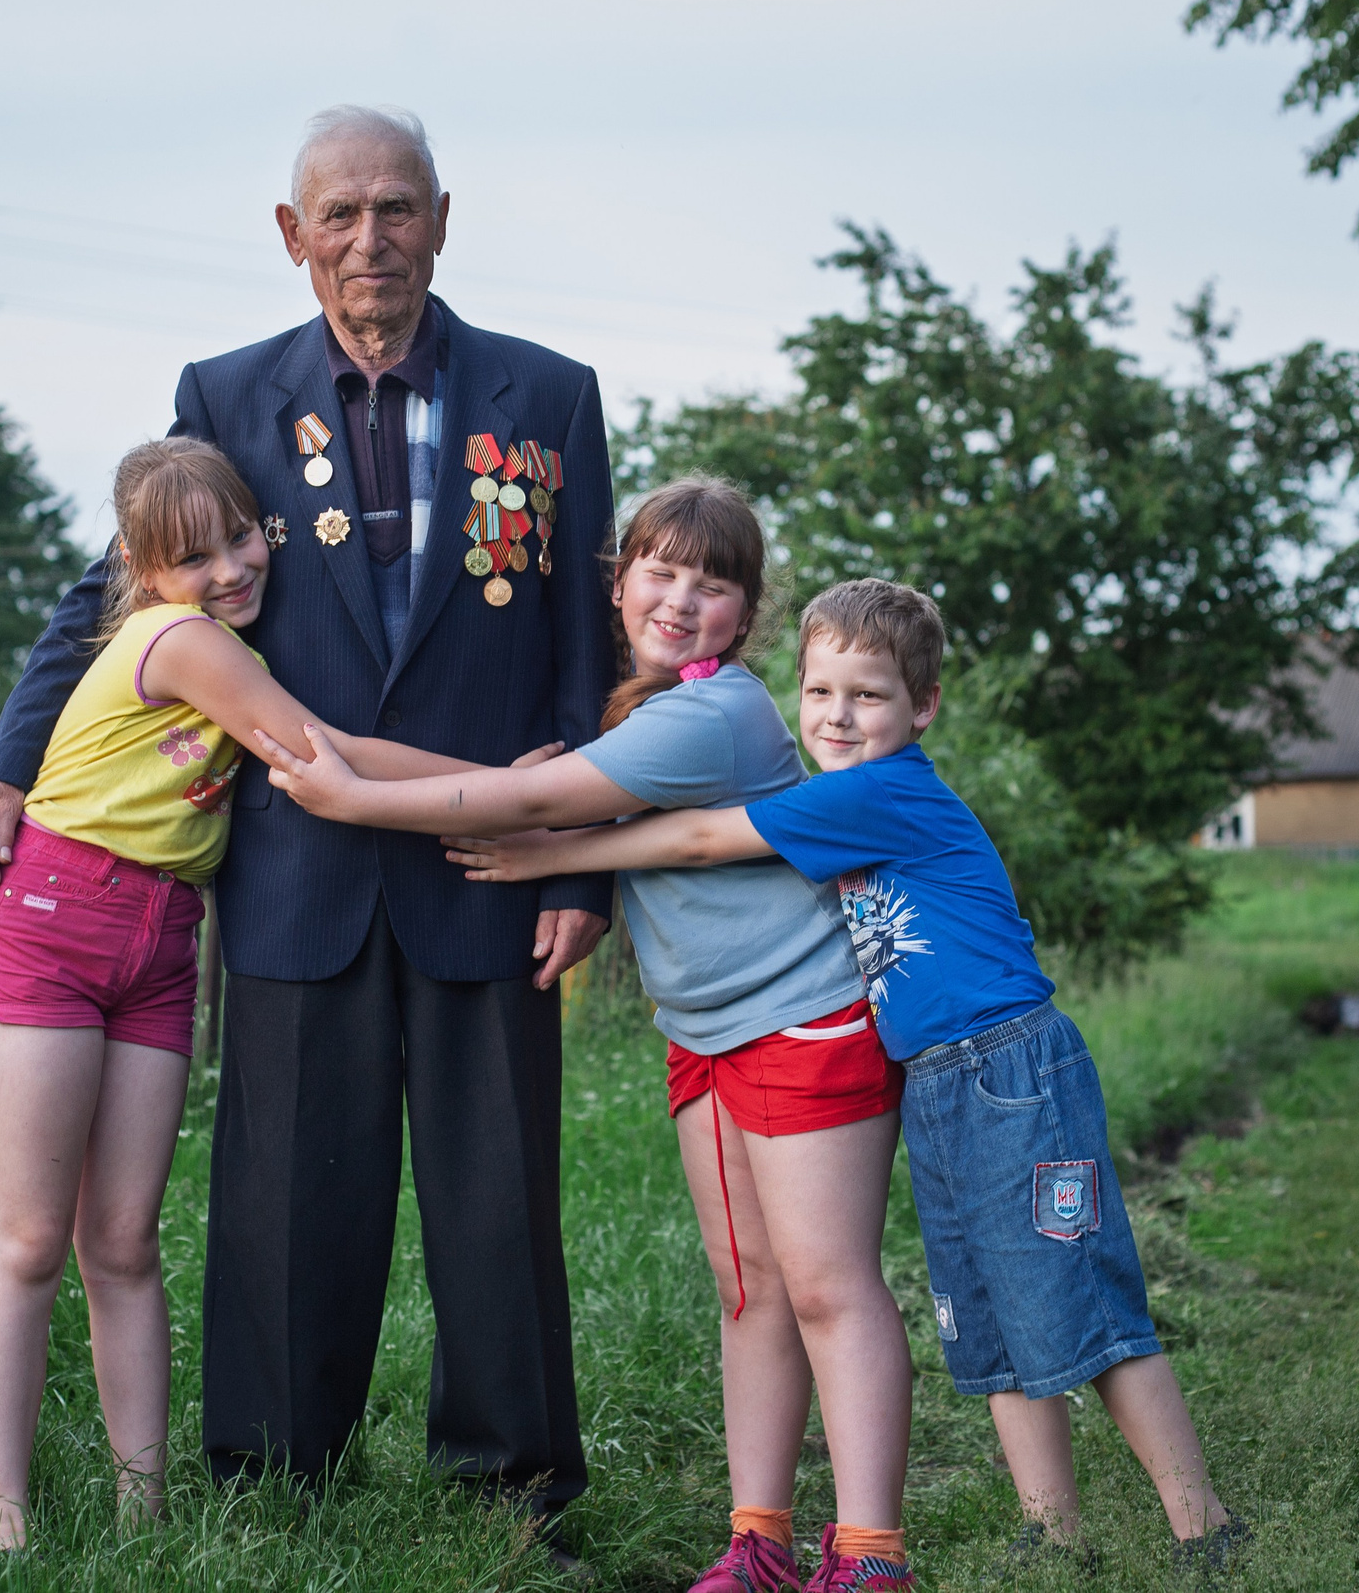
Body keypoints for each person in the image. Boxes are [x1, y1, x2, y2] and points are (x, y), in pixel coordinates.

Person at [0, 106, 616, 1551]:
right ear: (291, 234)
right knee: (287, 1190)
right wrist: (1, 761)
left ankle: (515, 1488)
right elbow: (110, 595)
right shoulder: (225, 394)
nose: (370, 238)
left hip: (489, 858)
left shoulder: (549, 398)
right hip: (293, 867)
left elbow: (577, 641)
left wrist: (581, 855)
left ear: (443, 215)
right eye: (341, 214)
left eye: (397, 207)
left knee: (499, 1190)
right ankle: (272, 1480)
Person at [441, 578, 1251, 1573]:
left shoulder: (882, 791)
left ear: (923, 706)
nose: (837, 715)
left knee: (1078, 1302)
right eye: (820, 692)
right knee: (988, 1321)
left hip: (1010, 1071)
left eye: (867, 695)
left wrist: (549, 852)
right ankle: (1053, 1539)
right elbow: (701, 835)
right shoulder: (837, 796)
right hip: (943, 1083)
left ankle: (1205, 1529)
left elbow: (699, 835)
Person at [255, 478, 922, 1593]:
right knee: (748, 1288)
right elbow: (515, 791)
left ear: (746, 614)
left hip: (806, 1018)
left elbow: (520, 809)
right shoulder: (647, 712)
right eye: (659, 572)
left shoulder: (721, 714)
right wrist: (345, 752)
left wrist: (352, 797)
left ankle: (871, 1558)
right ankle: (757, 1542)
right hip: (709, 1031)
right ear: (619, 582)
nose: (679, 599)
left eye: (713, 585)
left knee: (826, 1286)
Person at [0, 438, 543, 1547]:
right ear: (141, 567)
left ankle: (145, 1510)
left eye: (240, 536)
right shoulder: (182, 641)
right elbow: (326, 753)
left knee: (125, 1239)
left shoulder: (219, 631)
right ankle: (6, 1516)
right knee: (32, 1238)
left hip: (161, 934)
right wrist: (512, 791)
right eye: (193, 557)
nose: (230, 569)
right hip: (50, 919)